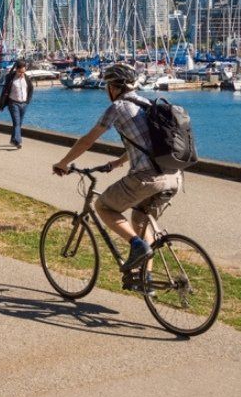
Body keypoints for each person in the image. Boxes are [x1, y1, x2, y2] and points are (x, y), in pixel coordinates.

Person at [51, 64, 182, 274]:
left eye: (107, 86)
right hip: (173, 177)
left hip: (148, 178)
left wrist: (63, 163)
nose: (106, 91)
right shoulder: (147, 104)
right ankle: (145, 279)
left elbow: (87, 140)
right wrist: (116, 163)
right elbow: (145, 145)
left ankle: (137, 246)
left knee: (103, 206)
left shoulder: (118, 107)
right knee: (140, 221)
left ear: (114, 87)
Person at [0, 60, 34, 149]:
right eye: (20, 72)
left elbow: (31, 89)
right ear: (16, 69)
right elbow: (5, 91)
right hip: (13, 103)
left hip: (24, 104)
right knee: (16, 122)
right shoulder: (10, 77)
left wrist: (28, 101)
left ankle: (13, 140)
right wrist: (2, 104)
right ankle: (18, 142)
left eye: (23, 71)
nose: (22, 74)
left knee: (19, 123)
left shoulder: (26, 78)